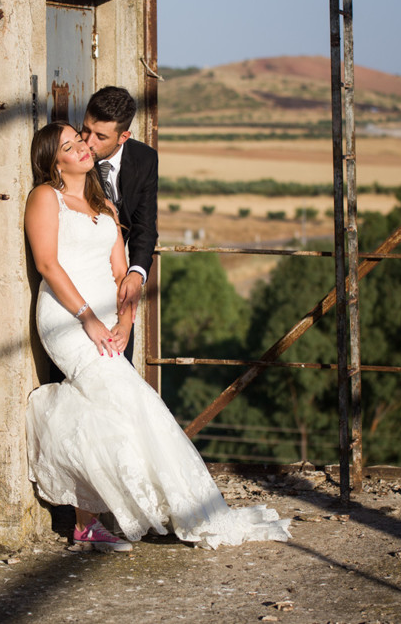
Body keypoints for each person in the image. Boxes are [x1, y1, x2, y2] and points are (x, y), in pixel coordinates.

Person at [24, 121, 291, 551]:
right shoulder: (44, 198)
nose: (83, 149)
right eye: (70, 147)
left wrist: (126, 321)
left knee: (110, 406)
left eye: (81, 141)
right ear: (53, 162)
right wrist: (89, 318)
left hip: (110, 320)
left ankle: (90, 522)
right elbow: (48, 265)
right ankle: (119, 514)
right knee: (121, 399)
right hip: (67, 319)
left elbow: (120, 274)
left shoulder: (105, 205)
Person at [80, 86, 157, 362]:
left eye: (100, 136)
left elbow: (145, 227)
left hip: (119, 281)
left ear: (124, 137)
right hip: (81, 281)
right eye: (85, 129)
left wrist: (136, 275)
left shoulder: (145, 160)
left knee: (122, 365)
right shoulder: (72, 156)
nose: (87, 142)